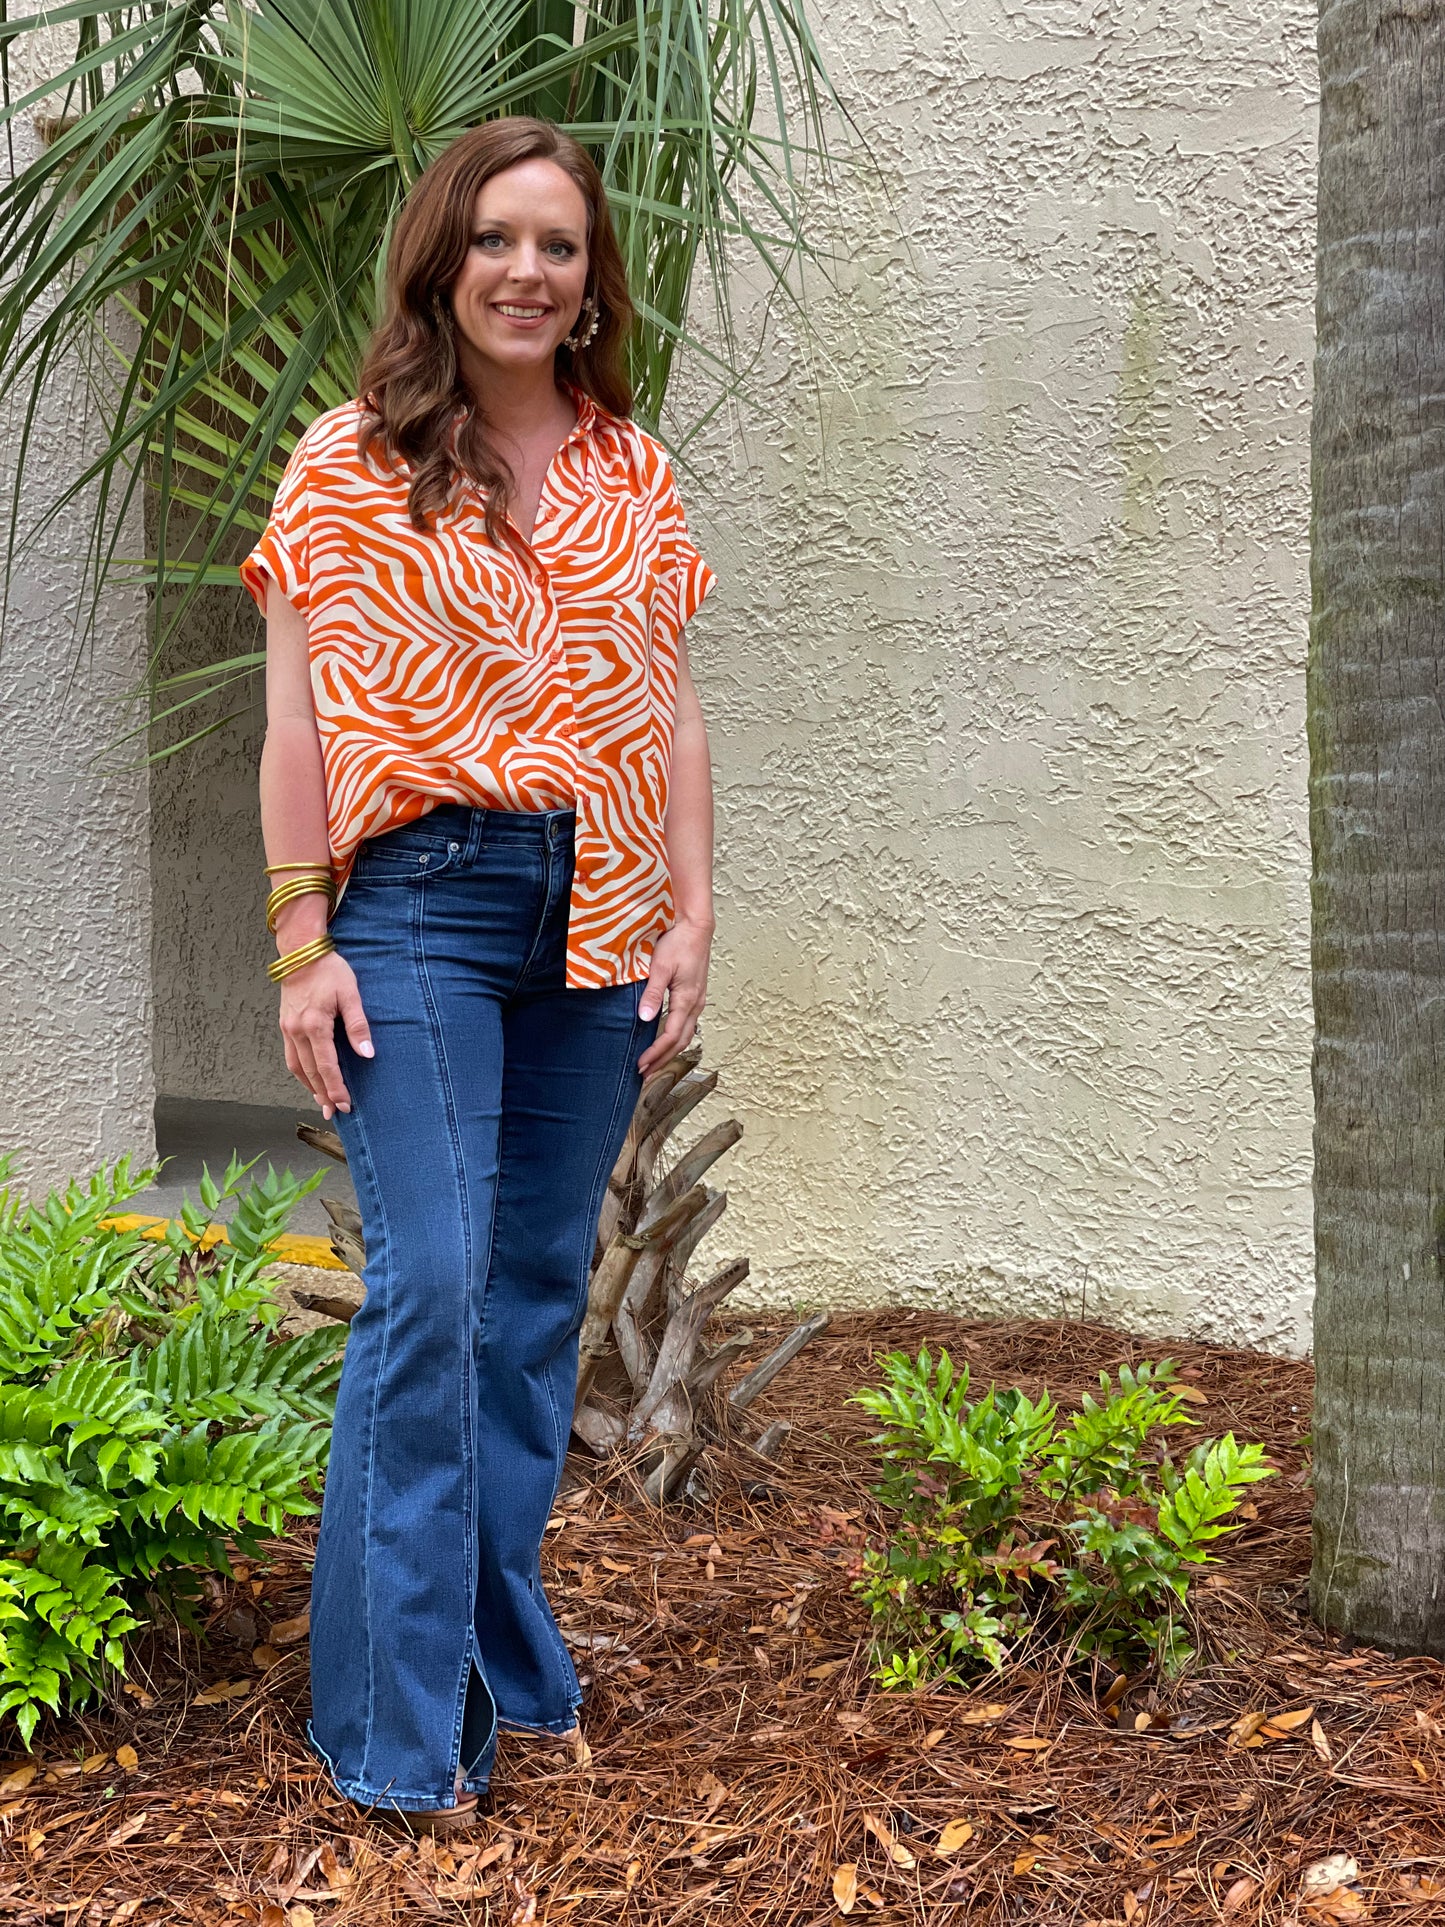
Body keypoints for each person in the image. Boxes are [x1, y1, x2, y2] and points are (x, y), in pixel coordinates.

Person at [240, 116, 716, 1832]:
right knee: (432, 1288)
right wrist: (302, 942)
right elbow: (296, 718)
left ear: (593, 282)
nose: (529, 271)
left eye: (561, 246)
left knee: (527, 1310)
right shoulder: (345, 462)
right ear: (443, 257)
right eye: (498, 239)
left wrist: (694, 910)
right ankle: (387, 1722)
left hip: (597, 922)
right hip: (419, 910)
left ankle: (487, 1643)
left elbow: (663, 708)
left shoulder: (634, 474)